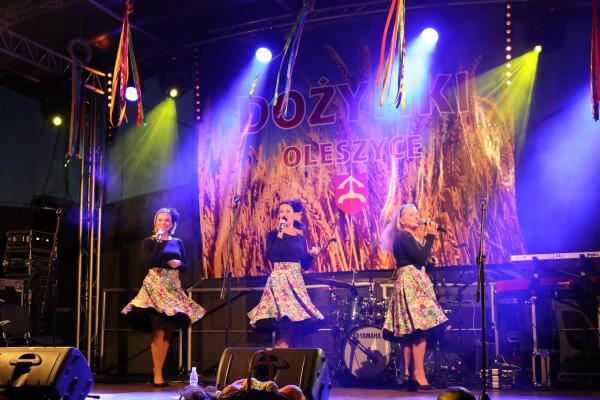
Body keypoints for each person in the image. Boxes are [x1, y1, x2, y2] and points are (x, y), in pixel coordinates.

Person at [122, 207, 206, 387]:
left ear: (172, 223)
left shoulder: (178, 242)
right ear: (155, 222)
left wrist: (179, 263)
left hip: (173, 286)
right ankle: (157, 373)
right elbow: (149, 261)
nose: (163, 223)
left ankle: (158, 369)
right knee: (158, 329)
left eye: (167, 220)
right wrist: (159, 240)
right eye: (160, 220)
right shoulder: (149, 241)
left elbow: (186, 267)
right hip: (155, 285)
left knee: (169, 330)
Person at [380, 203, 448, 391]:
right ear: (401, 221)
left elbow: (418, 260)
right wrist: (431, 236)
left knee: (411, 332)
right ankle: (419, 373)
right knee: (420, 328)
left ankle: (408, 374)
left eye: (417, 214)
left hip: (412, 282)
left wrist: (429, 263)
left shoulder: (409, 238)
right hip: (412, 284)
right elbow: (419, 258)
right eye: (412, 214)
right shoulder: (404, 236)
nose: (417, 217)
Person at [247, 199, 324, 348]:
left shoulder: (301, 238)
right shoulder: (273, 235)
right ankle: (280, 348)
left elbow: (305, 265)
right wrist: (280, 233)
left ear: (294, 215)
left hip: (295, 281)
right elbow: (272, 256)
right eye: (281, 211)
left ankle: (285, 349)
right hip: (279, 280)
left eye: (288, 211)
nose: (284, 214)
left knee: (295, 319)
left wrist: (312, 256)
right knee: (282, 318)